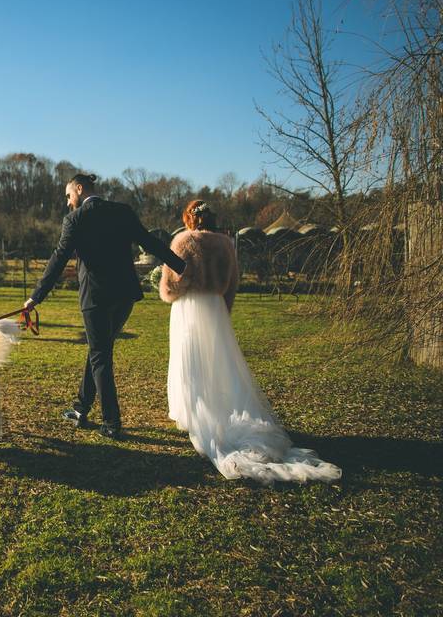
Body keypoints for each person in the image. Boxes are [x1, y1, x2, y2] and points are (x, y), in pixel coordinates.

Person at [159, 200, 341, 484]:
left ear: (189, 219)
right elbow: (233, 281)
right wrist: (223, 309)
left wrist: (168, 292)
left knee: (188, 357)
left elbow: (173, 280)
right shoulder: (224, 244)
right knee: (218, 359)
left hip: (189, 307)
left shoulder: (183, 240)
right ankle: (216, 405)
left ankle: (190, 411)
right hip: (216, 306)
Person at [23, 173, 186, 439]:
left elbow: (58, 258)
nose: (67, 202)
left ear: (79, 189)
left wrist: (36, 296)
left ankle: (112, 421)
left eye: (68, 196)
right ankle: (81, 407)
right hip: (124, 296)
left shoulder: (75, 220)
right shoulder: (122, 211)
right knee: (99, 349)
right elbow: (150, 242)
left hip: (96, 298)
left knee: (100, 355)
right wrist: (182, 266)